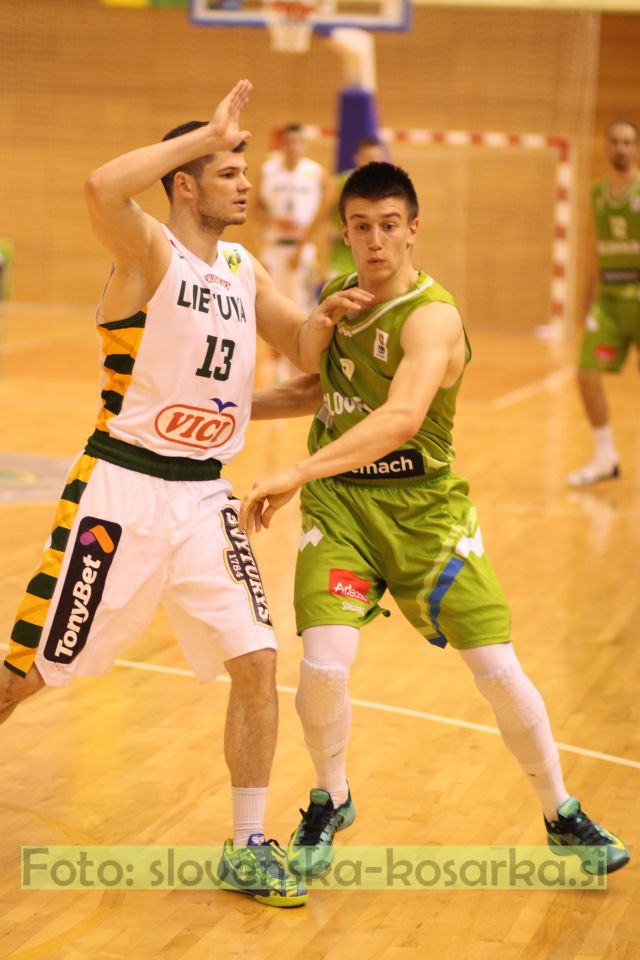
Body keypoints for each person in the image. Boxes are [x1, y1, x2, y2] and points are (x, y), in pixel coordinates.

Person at [0, 80, 372, 908]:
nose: (246, 182)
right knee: (27, 673)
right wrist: (201, 133)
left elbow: (303, 357)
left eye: (244, 167)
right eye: (227, 169)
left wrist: (332, 316)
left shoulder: (243, 267)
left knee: (257, 660)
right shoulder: (148, 252)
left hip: (205, 497)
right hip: (121, 495)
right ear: (184, 184)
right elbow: (100, 186)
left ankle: (247, 842)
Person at [242, 161, 630, 879]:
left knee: (497, 669)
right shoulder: (337, 295)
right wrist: (227, 406)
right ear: (347, 232)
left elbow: (400, 417)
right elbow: (317, 390)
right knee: (323, 665)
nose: (376, 240)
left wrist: (296, 471)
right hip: (344, 509)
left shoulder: (434, 316)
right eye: (361, 226)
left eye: (390, 225)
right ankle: (332, 797)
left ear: (413, 229)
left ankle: (560, 812)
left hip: (427, 516)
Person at [568, 120, 640, 488]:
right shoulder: (597, 193)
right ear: (606, 146)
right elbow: (596, 247)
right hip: (609, 299)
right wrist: (586, 298)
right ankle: (604, 456)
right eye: (614, 142)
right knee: (586, 374)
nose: (621, 149)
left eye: (628, 142)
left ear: (636, 147)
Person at [254, 124, 329, 379]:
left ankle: (302, 367)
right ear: (282, 144)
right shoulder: (268, 171)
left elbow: (325, 211)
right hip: (274, 249)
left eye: (298, 141)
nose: (293, 146)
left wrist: (303, 242)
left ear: (303, 145)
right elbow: (254, 210)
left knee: (302, 307)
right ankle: (277, 369)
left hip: (301, 250)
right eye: (288, 141)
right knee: (272, 307)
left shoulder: (315, 173)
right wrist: (275, 221)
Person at [297, 136, 387, 280]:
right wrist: (302, 243)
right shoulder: (339, 184)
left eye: (377, 158)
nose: (373, 163)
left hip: (376, 253)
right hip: (344, 252)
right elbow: (320, 215)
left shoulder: (390, 188)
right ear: (357, 158)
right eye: (368, 158)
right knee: (345, 296)